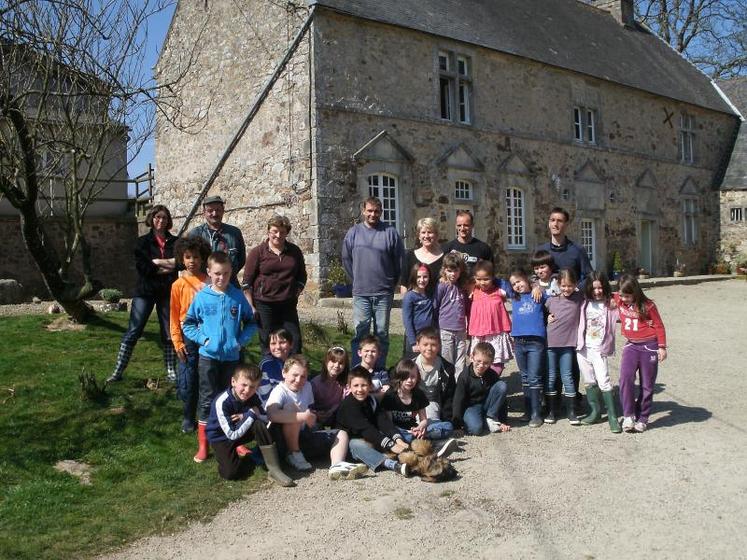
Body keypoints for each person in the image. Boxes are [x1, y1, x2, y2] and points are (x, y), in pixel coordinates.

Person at [182, 251, 257, 463]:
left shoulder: (237, 296)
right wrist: (204, 340)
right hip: (208, 357)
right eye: (216, 274)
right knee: (207, 400)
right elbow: (188, 324)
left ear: (231, 272)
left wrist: (240, 341)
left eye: (225, 273)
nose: (221, 278)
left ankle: (236, 441)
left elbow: (251, 323)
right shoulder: (202, 297)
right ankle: (204, 445)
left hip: (232, 358)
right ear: (208, 272)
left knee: (233, 399)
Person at [107, 205, 177, 383]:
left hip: (167, 292)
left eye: (164, 218)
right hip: (145, 292)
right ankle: (118, 371)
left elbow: (181, 264)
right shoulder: (142, 242)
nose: (161, 221)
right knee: (134, 330)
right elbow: (144, 268)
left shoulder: (175, 242)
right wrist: (168, 266)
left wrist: (158, 262)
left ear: (168, 220)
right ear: (151, 219)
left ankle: (171, 371)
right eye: (157, 217)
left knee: (168, 332)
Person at [205, 364, 295, 486]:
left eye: (252, 387)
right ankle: (246, 457)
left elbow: (266, 417)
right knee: (231, 473)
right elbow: (232, 434)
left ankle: (274, 468)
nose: (247, 390)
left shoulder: (253, 397)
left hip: (242, 430)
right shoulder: (222, 402)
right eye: (244, 385)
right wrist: (251, 414)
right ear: (233, 381)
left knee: (260, 425)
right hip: (222, 437)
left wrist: (246, 416)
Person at [342, 196, 403, 369]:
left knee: (382, 333)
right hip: (361, 292)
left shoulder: (390, 232)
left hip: (384, 292)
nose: (373, 214)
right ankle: (358, 370)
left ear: (381, 212)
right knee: (361, 332)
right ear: (363, 211)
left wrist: (391, 282)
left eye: (376, 211)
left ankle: (379, 370)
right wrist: (357, 279)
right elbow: (346, 260)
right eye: (369, 211)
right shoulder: (353, 233)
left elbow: (399, 261)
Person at [243, 214, 306, 355]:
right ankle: (269, 373)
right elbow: (247, 282)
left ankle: (294, 373)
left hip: (287, 304)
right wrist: (251, 306)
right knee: (268, 342)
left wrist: (296, 291)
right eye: (275, 231)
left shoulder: (294, 251)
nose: (278, 235)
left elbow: (302, 275)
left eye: (282, 232)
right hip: (264, 304)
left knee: (294, 341)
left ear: (287, 233)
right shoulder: (257, 252)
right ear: (268, 232)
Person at [613, 274, 667, 433]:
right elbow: (599, 292)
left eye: (628, 296)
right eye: (621, 295)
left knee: (647, 385)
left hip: (649, 346)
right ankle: (628, 415)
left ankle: (643, 417)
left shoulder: (648, 306)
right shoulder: (618, 299)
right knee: (625, 378)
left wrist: (662, 347)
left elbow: (659, 326)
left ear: (635, 292)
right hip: (631, 345)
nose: (624, 298)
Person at [265, 355, 337, 471]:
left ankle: (337, 465)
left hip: (303, 433)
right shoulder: (279, 391)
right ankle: (294, 453)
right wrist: (303, 416)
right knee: (291, 408)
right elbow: (271, 414)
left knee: (341, 435)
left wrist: (315, 415)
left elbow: (310, 408)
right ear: (284, 373)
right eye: (295, 375)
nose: (298, 380)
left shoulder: (307, 386)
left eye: (303, 376)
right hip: (280, 438)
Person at [335, 367, 410, 477]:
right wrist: (391, 445)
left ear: (370, 386)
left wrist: (397, 439)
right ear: (349, 387)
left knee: (401, 435)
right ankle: (391, 464)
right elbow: (366, 429)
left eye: (364, 385)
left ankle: (417, 449)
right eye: (356, 385)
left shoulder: (372, 401)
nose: (360, 389)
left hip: (372, 437)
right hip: (350, 443)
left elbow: (383, 421)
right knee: (357, 445)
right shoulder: (348, 405)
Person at [169, 235, 211, 433]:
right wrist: (177, 342)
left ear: (202, 258)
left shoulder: (210, 281)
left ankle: (208, 416)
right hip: (188, 335)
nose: (192, 261)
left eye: (195, 256)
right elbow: (174, 315)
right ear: (181, 258)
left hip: (208, 334)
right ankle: (188, 416)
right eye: (187, 257)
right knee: (188, 377)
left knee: (207, 377)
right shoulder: (178, 285)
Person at [576, 271, 621, 433]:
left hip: (600, 348)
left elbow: (628, 299)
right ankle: (595, 412)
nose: (597, 291)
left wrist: (616, 299)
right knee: (588, 380)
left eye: (600, 288)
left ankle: (612, 416)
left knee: (604, 380)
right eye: (594, 288)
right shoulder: (584, 303)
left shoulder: (611, 303)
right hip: (583, 347)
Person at [507, 268, 548, 428]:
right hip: (519, 342)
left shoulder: (538, 294)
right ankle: (528, 410)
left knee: (534, 377)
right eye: (513, 284)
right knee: (524, 377)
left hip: (535, 342)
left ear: (526, 279)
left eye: (519, 281)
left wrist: (536, 286)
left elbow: (554, 293)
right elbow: (497, 282)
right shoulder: (514, 297)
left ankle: (537, 413)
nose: (517, 286)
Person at [381, 359, 455, 447]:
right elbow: (389, 423)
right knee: (399, 435)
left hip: (414, 428)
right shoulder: (391, 395)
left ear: (417, 377)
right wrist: (408, 432)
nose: (409, 380)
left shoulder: (418, 394)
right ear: (399, 377)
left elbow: (423, 419)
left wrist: (421, 428)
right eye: (405, 377)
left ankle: (421, 440)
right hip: (398, 431)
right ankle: (431, 443)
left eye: (413, 377)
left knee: (448, 426)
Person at [544, 268, 585, 425]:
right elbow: (540, 311)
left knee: (567, 376)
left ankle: (571, 411)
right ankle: (552, 411)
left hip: (568, 344)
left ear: (575, 284)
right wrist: (546, 317)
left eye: (570, 285)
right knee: (552, 376)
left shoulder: (579, 298)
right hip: (551, 344)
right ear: (558, 284)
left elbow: (598, 296)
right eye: (563, 285)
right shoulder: (552, 300)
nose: (566, 289)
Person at [452, 343, 510, 435]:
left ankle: (490, 417)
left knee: (501, 385)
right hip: (471, 407)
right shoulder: (464, 376)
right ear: (472, 357)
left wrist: (503, 421)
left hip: (487, 404)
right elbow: (458, 400)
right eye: (478, 361)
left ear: (491, 362)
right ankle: (484, 421)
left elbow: (501, 398)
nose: (481, 365)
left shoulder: (492, 374)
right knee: (475, 429)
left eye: (486, 363)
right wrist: (456, 425)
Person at [468, 259, 513, 376]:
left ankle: (493, 379)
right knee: (479, 359)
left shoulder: (500, 291)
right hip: (479, 333)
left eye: (486, 279)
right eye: (479, 279)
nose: (482, 282)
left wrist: (535, 287)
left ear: (493, 277)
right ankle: (481, 383)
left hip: (496, 332)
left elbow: (517, 291)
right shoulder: (473, 290)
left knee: (497, 360)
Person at [189, 195, 246, 288]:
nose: (215, 214)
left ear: (223, 211)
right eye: (210, 211)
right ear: (204, 213)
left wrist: (225, 275)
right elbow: (190, 261)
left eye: (218, 210)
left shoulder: (235, 233)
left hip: (230, 286)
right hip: (203, 287)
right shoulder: (195, 235)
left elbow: (241, 260)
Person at [535, 207, 593, 288]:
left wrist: (575, 289)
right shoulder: (541, 250)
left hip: (572, 298)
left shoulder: (578, 250)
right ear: (549, 224)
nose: (555, 224)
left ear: (566, 225)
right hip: (547, 298)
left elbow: (589, 277)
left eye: (560, 221)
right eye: (552, 220)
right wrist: (535, 287)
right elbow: (535, 276)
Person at [433, 253, 469, 381]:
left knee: (461, 360)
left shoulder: (462, 287)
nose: (453, 274)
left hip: (460, 329)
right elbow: (435, 306)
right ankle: (448, 385)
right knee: (447, 360)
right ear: (444, 270)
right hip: (446, 329)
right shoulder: (442, 286)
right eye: (449, 271)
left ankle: (459, 386)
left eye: (456, 270)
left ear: (460, 271)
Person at [414, 327, 456, 424]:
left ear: (439, 346)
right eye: (425, 344)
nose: (429, 348)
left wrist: (448, 419)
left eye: (433, 345)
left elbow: (449, 397)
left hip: (431, 403)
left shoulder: (447, 369)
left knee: (430, 423)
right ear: (418, 345)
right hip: (412, 401)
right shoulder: (409, 364)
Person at [399, 217, 444, 297]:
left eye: (430, 232)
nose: (426, 236)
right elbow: (404, 285)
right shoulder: (410, 256)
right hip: (416, 307)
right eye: (423, 232)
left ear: (436, 235)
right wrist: (406, 305)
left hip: (438, 307)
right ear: (419, 236)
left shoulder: (444, 258)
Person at [443, 209, 494, 277]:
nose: (462, 228)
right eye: (459, 225)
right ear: (455, 226)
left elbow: (490, 274)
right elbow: (443, 273)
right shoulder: (447, 248)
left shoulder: (484, 249)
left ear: (472, 225)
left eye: (466, 225)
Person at [401, 263, 435, 358]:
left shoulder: (430, 294)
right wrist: (412, 342)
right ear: (414, 277)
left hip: (428, 336)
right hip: (414, 337)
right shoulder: (409, 296)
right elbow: (407, 320)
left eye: (425, 277)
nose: (422, 280)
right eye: (418, 277)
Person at [311, 346, 349, 427]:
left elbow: (346, 400)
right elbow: (307, 404)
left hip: (335, 414)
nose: (336, 365)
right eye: (333, 361)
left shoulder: (344, 383)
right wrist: (316, 414)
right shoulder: (315, 383)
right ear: (326, 362)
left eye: (341, 363)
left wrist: (333, 410)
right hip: (316, 415)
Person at [257, 328, 293, 408]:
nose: (278, 347)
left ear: (291, 344)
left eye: (282, 342)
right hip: (270, 407)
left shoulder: (296, 363)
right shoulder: (266, 365)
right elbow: (264, 394)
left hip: (292, 404)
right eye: (273, 343)